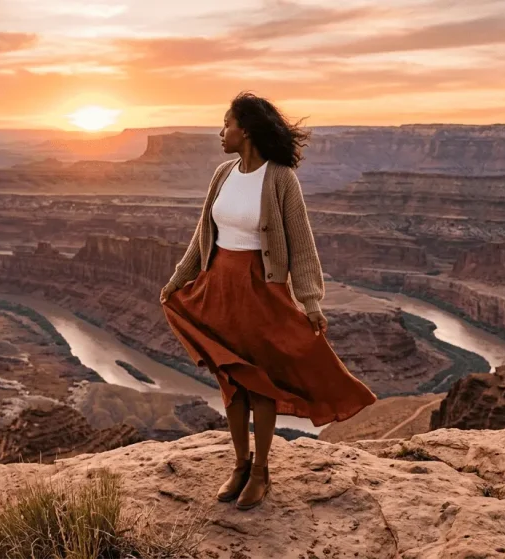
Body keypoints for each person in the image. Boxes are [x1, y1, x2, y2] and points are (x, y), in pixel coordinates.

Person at [160, 92, 377, 510]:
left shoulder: (280, 178)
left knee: (261, 383)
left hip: (261, 289)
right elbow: (202, 234)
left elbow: (301, 243)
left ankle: (261, 472)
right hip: (220, 285)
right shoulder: (223, 174)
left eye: (226, 124)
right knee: (232, 382)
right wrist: (178, 279)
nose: (220, 133)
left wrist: (311, 301)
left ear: (247, 130)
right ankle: (239, 465)